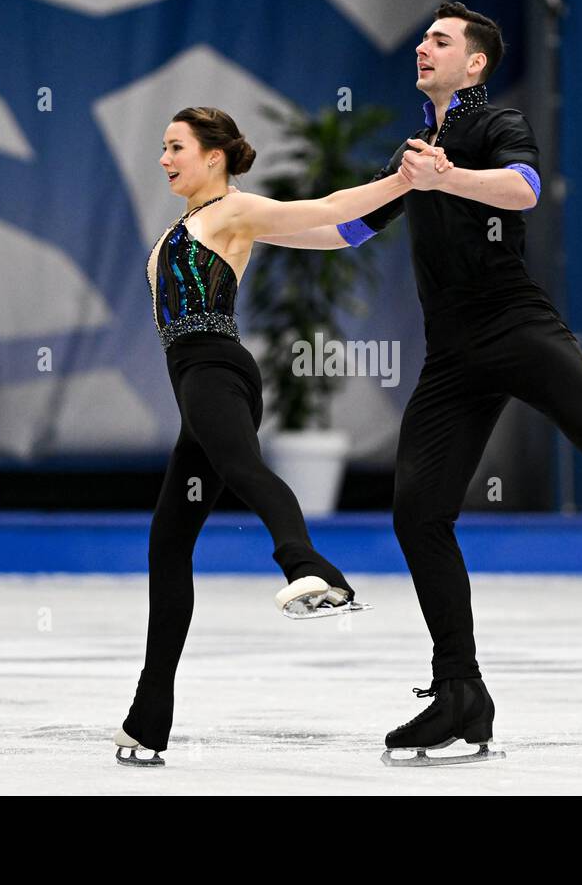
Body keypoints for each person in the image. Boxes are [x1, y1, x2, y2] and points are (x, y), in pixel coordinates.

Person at [261, 2, 582, 767]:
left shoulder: (493, 124)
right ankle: (461, 693)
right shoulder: (414, 153)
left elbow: (525, 188)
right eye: (422, 36)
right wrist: (240, 226)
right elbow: (342, 223)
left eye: (440, 39)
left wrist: (450, 176)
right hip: (453, 355)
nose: (422, 46)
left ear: (474, 62)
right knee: (417, 512)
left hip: (517, 326)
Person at [114, 106, 444, 766]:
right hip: (198, 381)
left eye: (175, 146)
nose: (164, 158)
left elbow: (327, 207)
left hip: (214, 370)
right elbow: (344, 234)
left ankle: (308, 565)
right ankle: (149, 718)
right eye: (162, 146)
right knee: (168, 543)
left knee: (241, 469)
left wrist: (403, 179)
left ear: (214, 156)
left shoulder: (231, 213)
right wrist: (396, 190)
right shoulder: (193, 223)